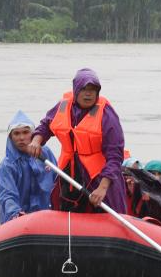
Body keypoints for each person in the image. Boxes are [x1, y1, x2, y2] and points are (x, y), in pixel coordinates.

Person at [26, 68, 127, 213]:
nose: (88, 93)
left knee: (104, 213)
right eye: (84, 89)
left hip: (98, 178)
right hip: (70, 175)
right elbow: (45, 126)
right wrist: (36, 141)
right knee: (64, 210)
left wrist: (103, 187)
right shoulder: (63, 106)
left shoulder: (107, 115)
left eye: (93, 90)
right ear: (76, 89)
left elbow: (115, 156)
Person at [0, 110, 57, 224]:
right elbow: (7, 196)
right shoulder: (7, 167)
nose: (21, 138)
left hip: (47, 218)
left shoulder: (45, 154)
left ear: (33, 134)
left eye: (25, 132)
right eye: (16, 133)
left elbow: (57, 182)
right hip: (19, 221)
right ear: (11, 137)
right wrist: (16, 214)